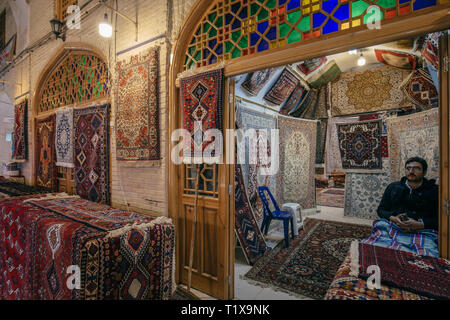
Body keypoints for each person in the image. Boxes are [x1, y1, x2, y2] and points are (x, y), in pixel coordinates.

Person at [377, 156, 438, 232]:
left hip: (423, 230)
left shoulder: (434, 190)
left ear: (424, 172)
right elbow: (381, 210)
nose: (411, 171)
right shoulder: (393, 187)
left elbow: (442, 218)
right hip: (394, 226)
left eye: (416, 168)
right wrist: (394, 219)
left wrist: (420, 224)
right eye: (408, 168)